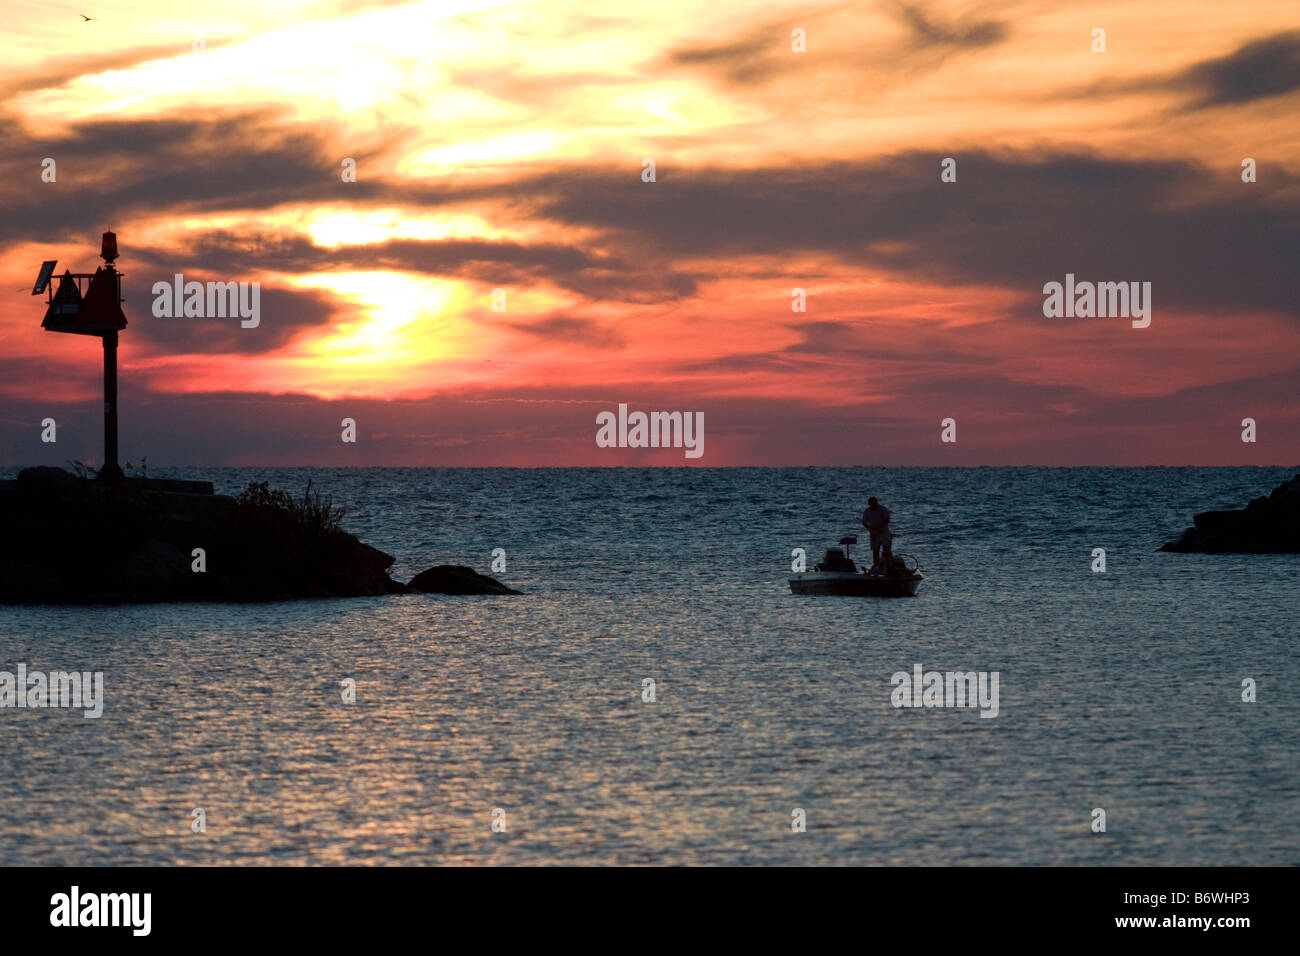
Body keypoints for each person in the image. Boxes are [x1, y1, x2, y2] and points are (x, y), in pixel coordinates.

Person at [861, 496, 893, 573]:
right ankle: (876, 567)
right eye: (870, 504)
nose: (872, 505)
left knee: (886, 550)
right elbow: (864, 522)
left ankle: (888, 566)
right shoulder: (867, 511)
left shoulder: (883, 509)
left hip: (884, 533)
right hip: (874, 534)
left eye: (874, 503)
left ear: (876, 502)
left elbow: (887, 520)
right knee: (875, 551)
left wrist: (878, 527)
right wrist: (870, 529)